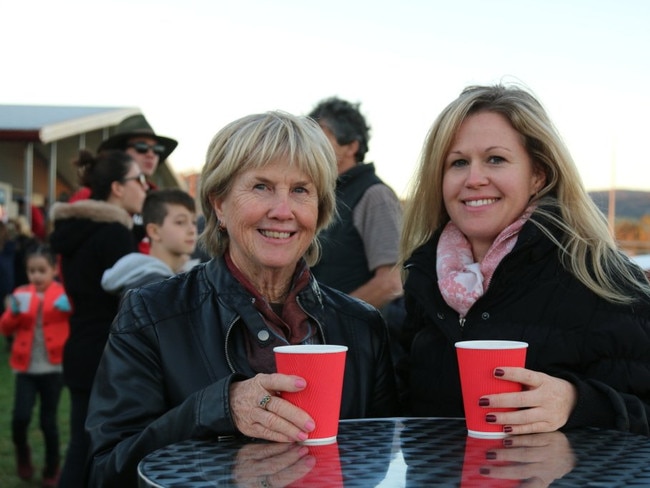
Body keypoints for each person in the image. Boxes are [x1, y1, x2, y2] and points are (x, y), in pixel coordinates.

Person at [85, 111, 398, 486]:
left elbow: (379, 464)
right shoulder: (151, 315)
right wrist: (217, 409)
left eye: (301, 190)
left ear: (320, 209)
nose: (282, 211)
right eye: (262, 187)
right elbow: (106, 471)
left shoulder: (361, 326)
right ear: (219, 204)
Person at [398, 84, 650, 436]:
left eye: (495, 159)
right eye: (458, 163)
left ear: (538, 175)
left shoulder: (602, 277)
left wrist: (577, 402)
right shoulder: (425, 280)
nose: (473, 179)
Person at [49, 149, 148, 487]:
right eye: (139, 179)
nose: (146, 187)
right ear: (118, 188)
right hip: (106, 355)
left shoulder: (76, 230)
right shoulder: (114, 234)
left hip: (79, 347)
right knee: (96, 455)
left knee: (80, 446)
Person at [307, 97, 405, 343]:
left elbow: (391, 283)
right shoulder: (322, 193)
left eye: (321, 137)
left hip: (355, 345)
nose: (310, 145)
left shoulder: (375, 196)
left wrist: (325, 319)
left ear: (351, 146)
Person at [0, 244, 70, 487]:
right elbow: (6, 329)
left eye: (42, 270)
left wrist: (69, 307)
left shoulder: (63, 294)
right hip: (26, 368)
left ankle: (52, 468)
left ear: (54, 269)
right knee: (20, 418)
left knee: (48, 422)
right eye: (32, 271)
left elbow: (75, 321)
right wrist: (13, 313)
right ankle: (23, 454)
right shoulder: (20, 294)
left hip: (53, 369)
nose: (36, 276)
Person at [101, 188, 198, 295]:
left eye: (194, 222)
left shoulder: (167, 280)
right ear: (154, 231)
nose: (192, 229)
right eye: (180, 222)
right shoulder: (153, 288)